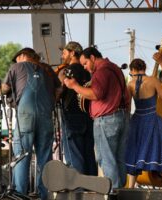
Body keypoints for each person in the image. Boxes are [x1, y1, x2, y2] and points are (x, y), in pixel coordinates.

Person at [0, 47, 61, 200]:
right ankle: (45, 196)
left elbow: (4, 89)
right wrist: (50, 103)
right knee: (45, 158)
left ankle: (20, 196)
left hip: (26, 117)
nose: (16, 61)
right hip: (46, 117)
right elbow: (60, 88)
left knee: (22, 156)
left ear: (23, 56)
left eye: (17, 58)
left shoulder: (17, 67)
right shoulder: (48, 70)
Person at [64, 47, 130, 189]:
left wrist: (74, 86)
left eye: (85, 63)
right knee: (119, 158)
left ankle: (113, 193)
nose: (85, 67)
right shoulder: (115, 68)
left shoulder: (101, 71)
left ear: (93, 58)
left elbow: (95, 94)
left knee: (106, 159)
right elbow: (127, 95)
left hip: (106, 120)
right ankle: (121, 191)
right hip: (122, 117)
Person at [125, 58, 162, 188]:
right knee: (161, 146)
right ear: (144, 68)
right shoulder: (153, 80)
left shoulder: (130, 84)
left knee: (136, 152)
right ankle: (158, 172)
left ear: (132, 70)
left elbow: (127, 107)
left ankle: (131, 187)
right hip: (152, 120)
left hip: (137, 120)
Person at [58, 41, 97, 176]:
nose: (62, 57)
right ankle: (92, 188)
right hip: (88, 116)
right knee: (88, 154)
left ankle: (79, 189)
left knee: (74, 154)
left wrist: (59, 78)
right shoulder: (88, 71)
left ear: (72, 53)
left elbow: (60, 92)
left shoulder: (68, 71)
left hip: (72, 116)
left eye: (64, 53)